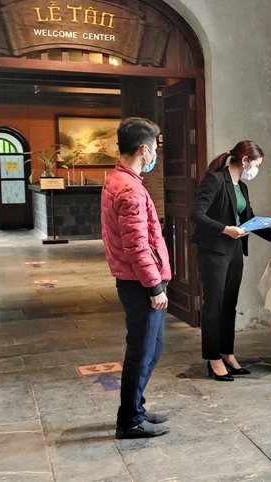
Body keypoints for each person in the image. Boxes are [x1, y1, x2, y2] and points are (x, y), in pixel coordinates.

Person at [191, 140, 271, 381]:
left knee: (229, 304)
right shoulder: (215, 180)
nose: (257, 170)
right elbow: (196, 214)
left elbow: (250, 219)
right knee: (214, 305)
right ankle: (213, 358)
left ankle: (227, 353)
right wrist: (225, 229)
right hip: (214, 251)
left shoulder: (242, 186)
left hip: (235, 251)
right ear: (245, 161)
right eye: (256, 165)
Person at [101, 117, 171, 439]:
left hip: (135, 279)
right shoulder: (129, 188)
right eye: (155, 147)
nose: (155, 153)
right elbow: (137, 246)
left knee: (151, 348)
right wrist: (154, 286)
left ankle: (136, 408)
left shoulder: (119, 179)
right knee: (142, 352)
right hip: (140, 282)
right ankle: (129, 420)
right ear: (144, 149)